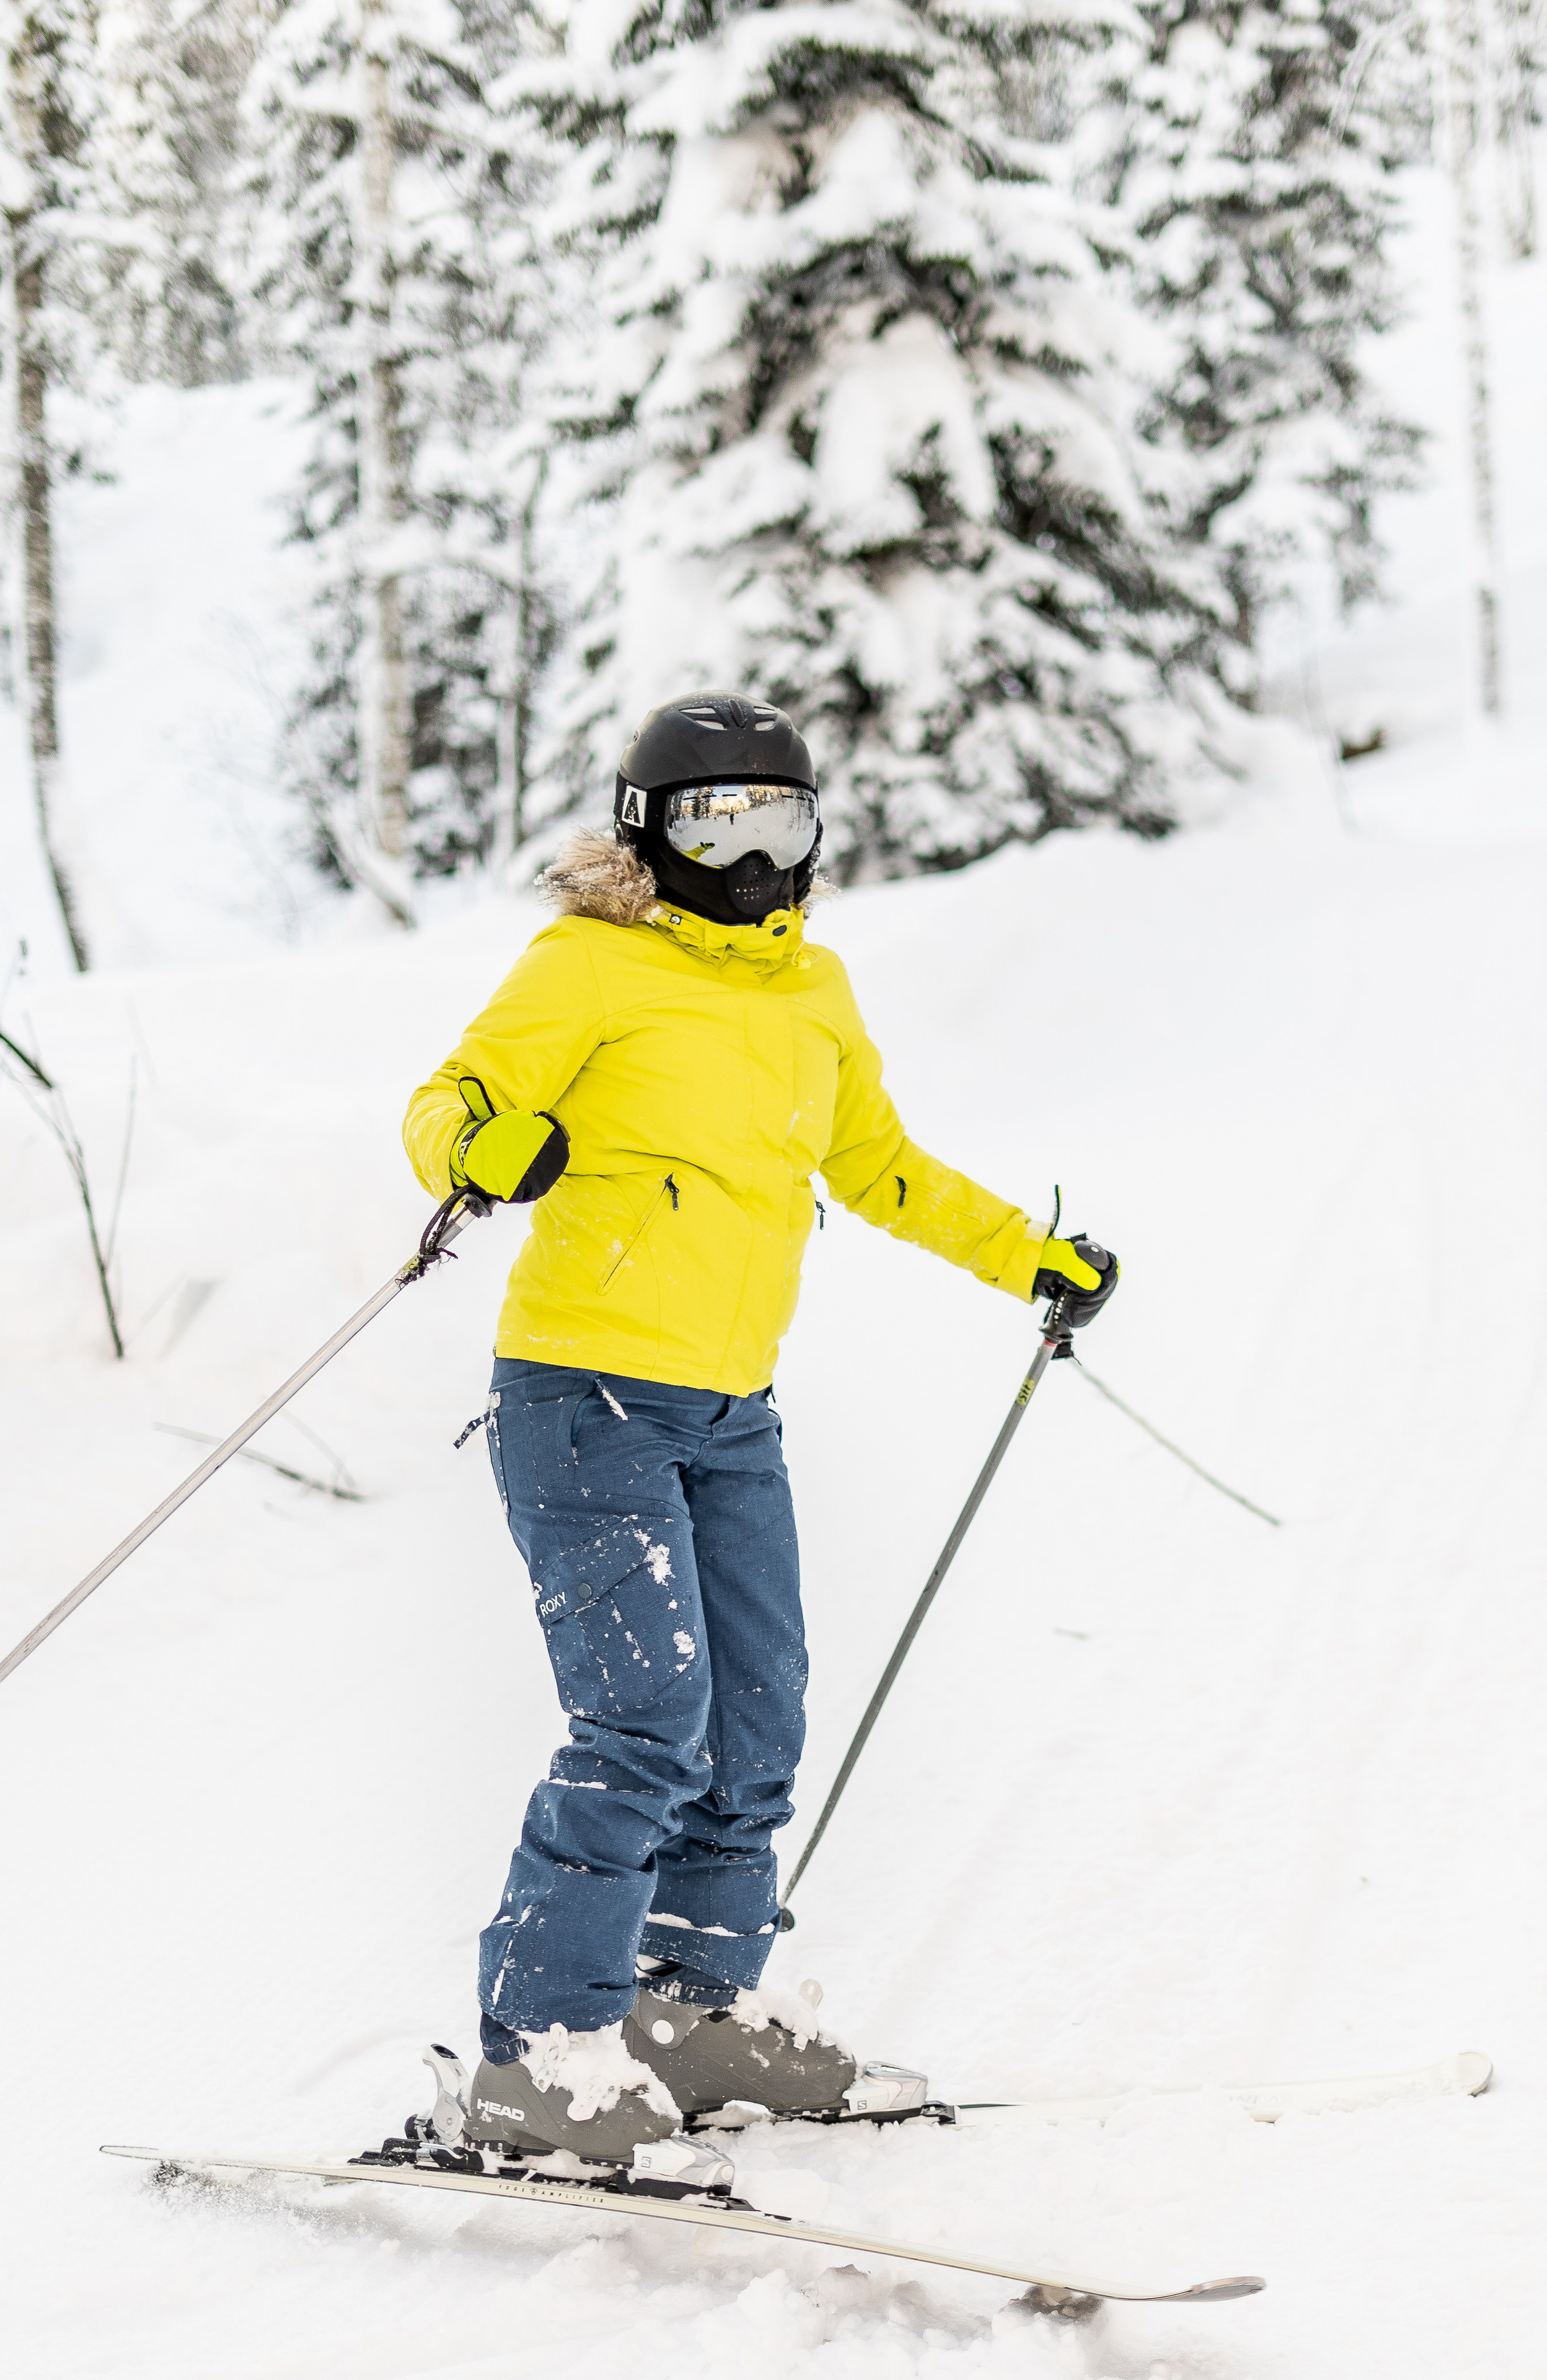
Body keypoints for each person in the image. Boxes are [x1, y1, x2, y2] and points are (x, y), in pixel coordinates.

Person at [401, 690, 1114, 2190]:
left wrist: (1023, 1256)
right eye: (709, 820)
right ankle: (538, 2053)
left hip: (730, 1411)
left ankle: (692, 2013)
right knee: (643, 1718)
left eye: (774, 819)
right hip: (581, 1392)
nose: (745, 849)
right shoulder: (586, 963)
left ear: (808, 835)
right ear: (644, 834)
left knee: (754, 1719)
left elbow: (880, 1169)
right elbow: (452, 1101)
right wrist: (481, 1148)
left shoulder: (815, 993)